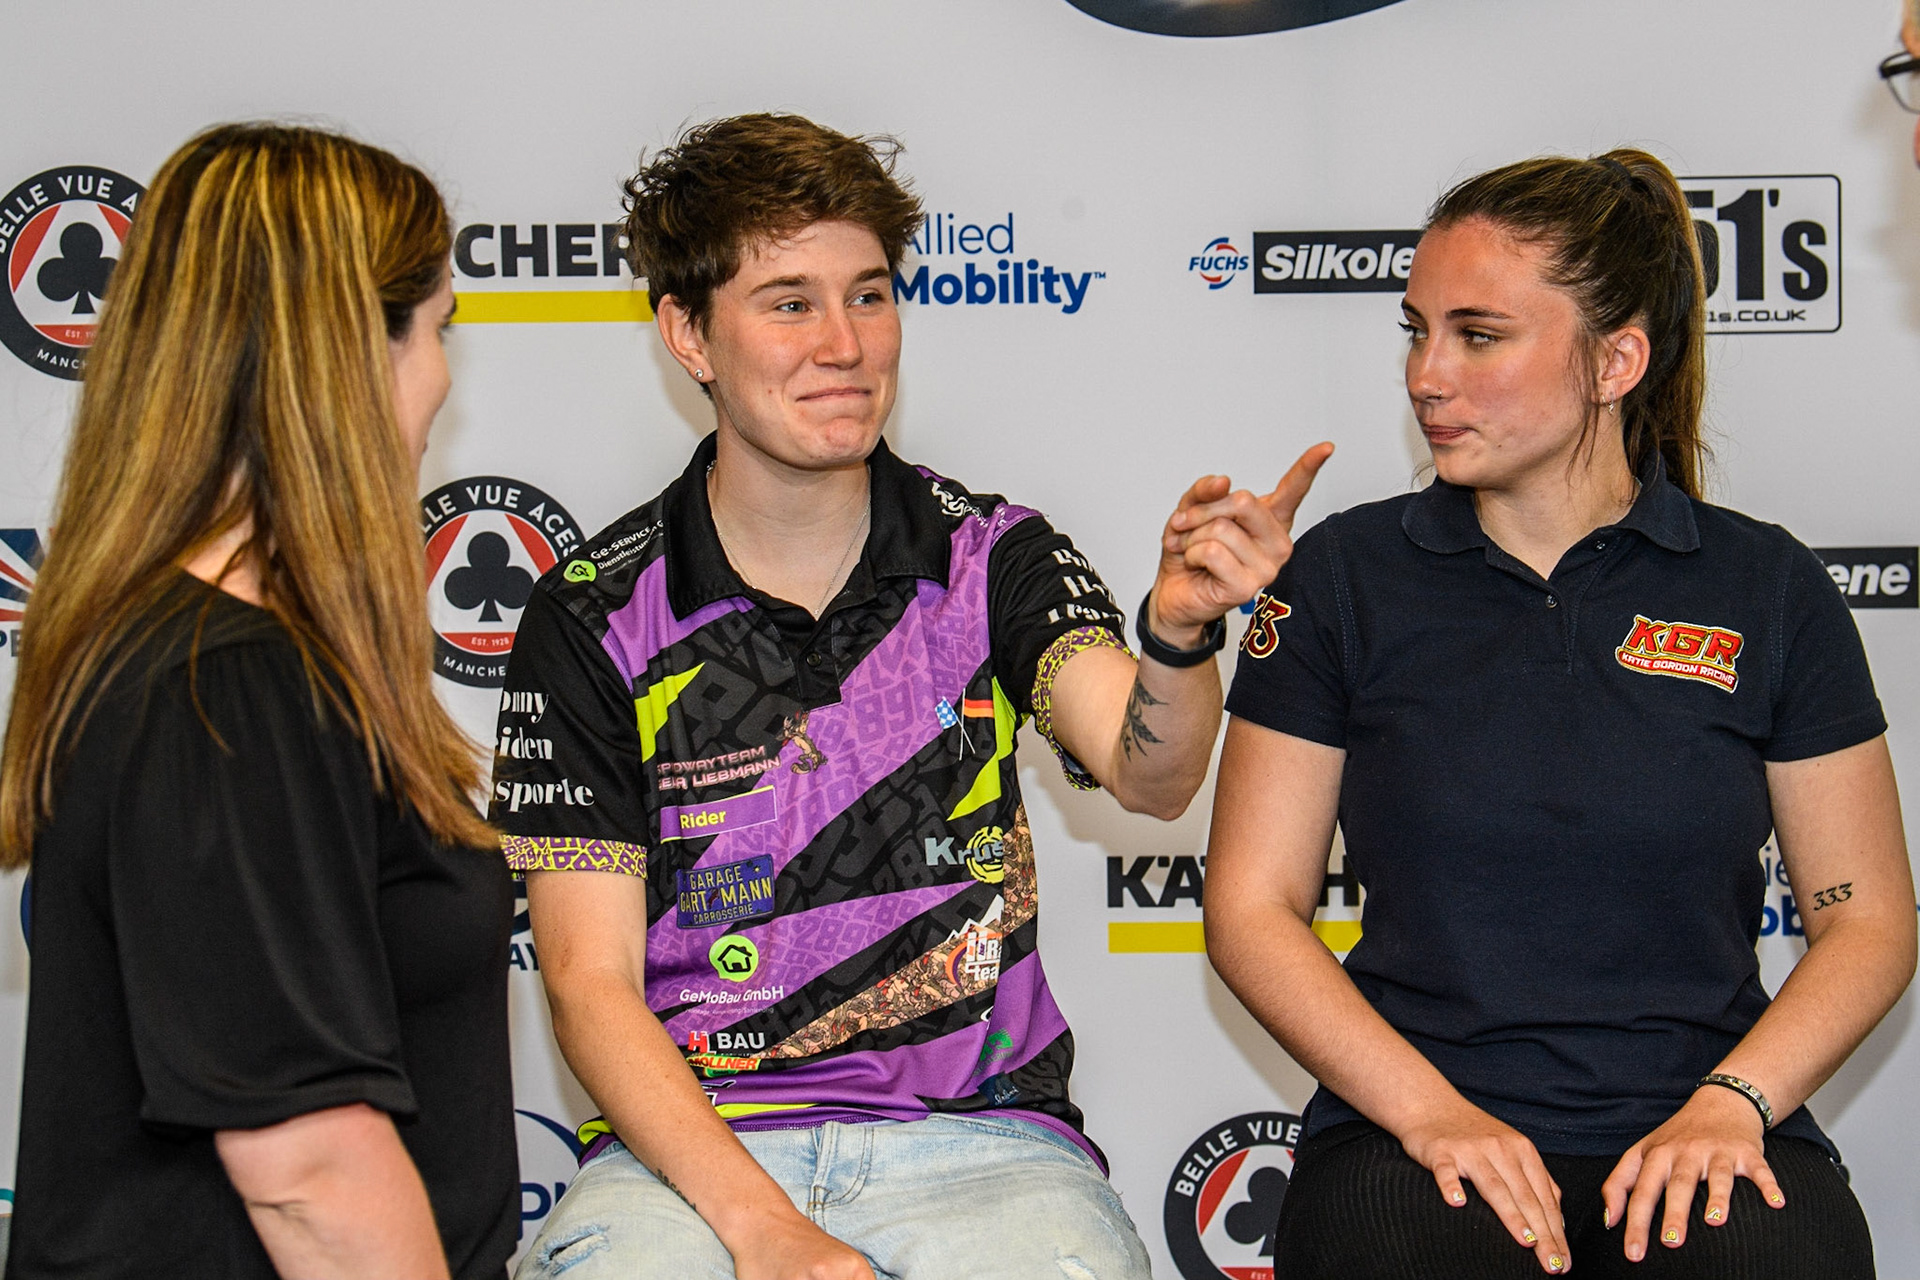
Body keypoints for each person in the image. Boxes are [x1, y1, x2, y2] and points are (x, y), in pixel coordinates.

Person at [494, 112, 1331, 1280]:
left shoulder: (992, 554)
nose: (844, 343)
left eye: (871, 295)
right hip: (687, 1159)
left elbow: (1152, 773)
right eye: (788, 302)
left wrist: (1179, 635)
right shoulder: (589, 613)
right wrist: (767, 1230)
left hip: (986, 1146)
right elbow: (586, 986)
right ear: (688, 333)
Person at [1205, 148, 1916, 1280]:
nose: (1426, 375)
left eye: (1478, 335)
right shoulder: (1343, 575)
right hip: (1410, 1129)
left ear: (1616, 360)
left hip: (1705, 1117)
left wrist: (1734, 1104)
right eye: (1417, 329)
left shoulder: (1765, 587)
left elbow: (1869, 918)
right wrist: (1431, 1114)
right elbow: (1251, 905)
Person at [0, 124, 518, 1280]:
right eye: (438, 331)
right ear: (343, 357)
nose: (441, 380)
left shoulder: (216, 659)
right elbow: (309, 1168)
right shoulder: (225, 691)